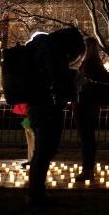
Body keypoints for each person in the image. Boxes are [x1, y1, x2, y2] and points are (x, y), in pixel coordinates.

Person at [26, 27, 85, 205]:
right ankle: (36, 193)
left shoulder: (44, 47)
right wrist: (73, 77)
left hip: (39, 104)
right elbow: (57, 78)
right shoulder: (52, 50)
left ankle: (36, 191)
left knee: (43, 150)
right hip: (46, 106)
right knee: (44, 150)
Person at [74, 37, 109, 182]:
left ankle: (87, 170)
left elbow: (81, 86)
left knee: (86, 139)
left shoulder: (87, 65)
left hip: (84, 105)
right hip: (92, 107)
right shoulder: (98, 65)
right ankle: (88, 169)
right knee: (89, 138)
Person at [11, 103, 34, 168]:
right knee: (31, 141)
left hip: (32, 114)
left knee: (33, 140)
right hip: (30, 115)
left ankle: (33, 160)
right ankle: (31, 160)